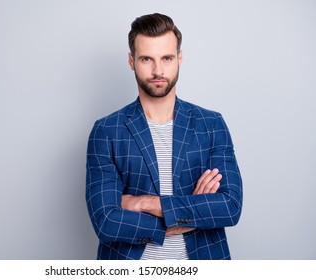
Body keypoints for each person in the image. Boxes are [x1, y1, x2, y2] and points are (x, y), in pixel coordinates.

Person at [85, 13, 242, 260]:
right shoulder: (106, 131)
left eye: (167, 58)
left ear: (179, 58)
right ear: (131, 61)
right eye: (147, 59)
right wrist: (192, 213)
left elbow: (229, 207)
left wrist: (143, 203)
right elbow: (105, 221)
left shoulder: (211, 124)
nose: (158, 70)